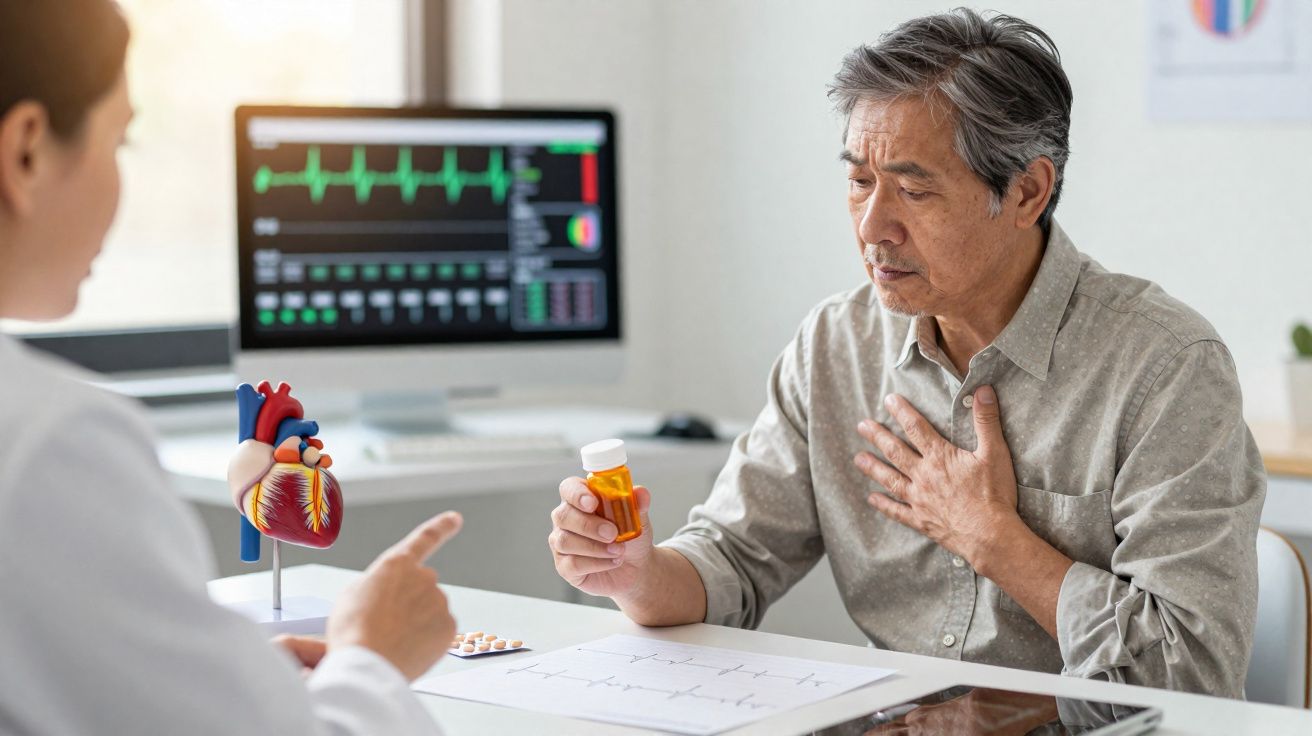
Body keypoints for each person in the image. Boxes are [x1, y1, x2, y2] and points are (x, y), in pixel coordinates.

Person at [548, 8, 1265, 698]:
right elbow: (731, 559)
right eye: (859, 181)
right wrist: (637, 574)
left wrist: (994, 539)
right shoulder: (836, 346)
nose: (872, 227)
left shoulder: (1167, 368)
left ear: (1027, 192)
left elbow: (1192, 678)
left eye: (914, 191)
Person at [0, 2, 456, 732]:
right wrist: (374, 657)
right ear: (26, 151)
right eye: (121, 141)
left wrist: (216, 685)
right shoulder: (50, 444)